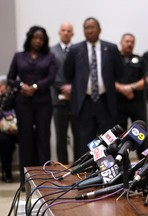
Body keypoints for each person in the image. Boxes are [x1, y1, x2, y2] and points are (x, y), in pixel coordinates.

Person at [64, 17, 123, 158]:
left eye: (93, 27)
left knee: (108, 140)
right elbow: (67, 73)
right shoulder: (75, 49)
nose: (90, 30)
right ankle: (85, 172)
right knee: (84, 141)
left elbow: (119, 72)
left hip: (105, 101)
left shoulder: (112, 48)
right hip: (84, 103)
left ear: (99, 29)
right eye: (87, 28)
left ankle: (109, 171)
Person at [7, 26, 56, 184]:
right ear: (30, 38)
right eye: (35, 38)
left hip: (43, 103)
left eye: (41, 38)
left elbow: (51, 78)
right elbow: (10, 78)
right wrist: (22, 86)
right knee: (25, 140)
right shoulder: (19, 56)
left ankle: (44, 179)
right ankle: (25, 181)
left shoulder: (49, 56)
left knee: (43, 138)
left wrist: (35, 87)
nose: (38, 41)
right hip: (23, 103)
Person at [50, 22, 80, 164]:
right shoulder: (51, 51)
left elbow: (82, 72)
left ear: (72, 33)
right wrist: (63, 87)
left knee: (78, 135)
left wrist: (73, 87)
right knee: (61, 137)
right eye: (63, 30)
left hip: (77, 100)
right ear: (59, 32)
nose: (66, 32)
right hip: (58, 99)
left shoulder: (78, 50)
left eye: (69, 30)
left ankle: (78, 167)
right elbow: (50, 74)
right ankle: (61, 167)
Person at [115, 33, 147, 158]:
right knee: (118, 135)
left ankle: (143, 161)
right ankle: (119, 161)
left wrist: (131, 87)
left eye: (132, 42)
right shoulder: (114, 59)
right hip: (119, 103)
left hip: (136, 102)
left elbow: (146, 79)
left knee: (141, 132)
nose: (129, 44)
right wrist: (122, 89)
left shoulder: (139, 59)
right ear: (121, 42)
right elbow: (108, 78)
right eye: (127, 41)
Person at [0, 79, 17, 183]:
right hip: (3, 130)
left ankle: (8, 173)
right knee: (4, 142)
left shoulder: (12, 96)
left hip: (13, 127)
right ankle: (7, 173)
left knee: (7, 143)